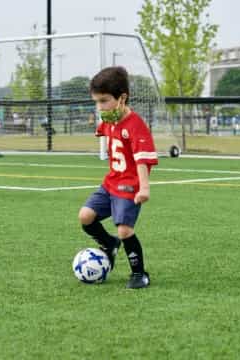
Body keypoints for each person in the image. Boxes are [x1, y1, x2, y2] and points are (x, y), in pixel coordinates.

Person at [78, 66, 158, 289]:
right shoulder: (108, 120)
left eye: (103, 101)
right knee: (85, 216)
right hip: (110, 182)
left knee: (124, 229)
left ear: (122, 98)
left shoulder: (136, 126)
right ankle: (109, 244)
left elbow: (142, 159)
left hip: (129, 185)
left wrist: (144, 188)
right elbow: (104, 132)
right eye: (96, 101)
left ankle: (139, 273)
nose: (99, 107)